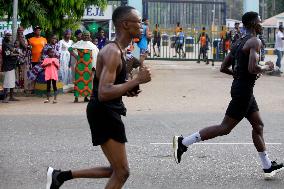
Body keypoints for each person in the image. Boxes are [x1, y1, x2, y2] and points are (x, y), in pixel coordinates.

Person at [46, 6, 151, 189]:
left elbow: (109, 87)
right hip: (104, 111)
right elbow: (103, 92)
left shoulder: (119, 50)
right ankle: (59, 176)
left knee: (117, 170)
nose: (142, 26)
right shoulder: (113, 52)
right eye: (138, 22)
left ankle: (60, 176)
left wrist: (127, 89)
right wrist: (136, 81)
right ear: (126, 24)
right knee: (122, 172)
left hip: (107, 110)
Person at [173, 12, 284, 179]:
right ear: (254, 23)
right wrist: (267, 67)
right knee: (224, 128)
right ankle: (183, 142)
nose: (261, 24)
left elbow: (224, 67)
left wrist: (240, 76)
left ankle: (267, 166)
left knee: (258, 126)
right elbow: (253, 68)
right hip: (244, 92)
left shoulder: (239, 41)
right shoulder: (255, 41)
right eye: (260, 21)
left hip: (242, 89)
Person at [69, 30, 99, 103]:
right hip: (80, 66)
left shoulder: (92, 45)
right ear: (82, 36)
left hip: (88, 67)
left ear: (89, 36)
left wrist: (94, 66)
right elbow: (70, 49)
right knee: (78, 81)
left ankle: (86, 97)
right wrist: (76, 57)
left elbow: (96, 54)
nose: (86, 36)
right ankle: (76, 97)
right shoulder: (79, 43)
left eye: (88, 35)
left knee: (87, 82)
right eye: (85, 35)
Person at [1, 31, 19, 102]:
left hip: (12, 65)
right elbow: (8, 54)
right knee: (6, 82)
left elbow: (14, 52)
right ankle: (5, 98)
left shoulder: (10, 45)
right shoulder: (4, 44)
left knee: (12, 81)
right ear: (5, 36)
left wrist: (15, 53)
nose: (9, 37)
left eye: (10, 35)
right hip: (7, 66)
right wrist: (17, 54)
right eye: (7, 35)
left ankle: (11, 96)